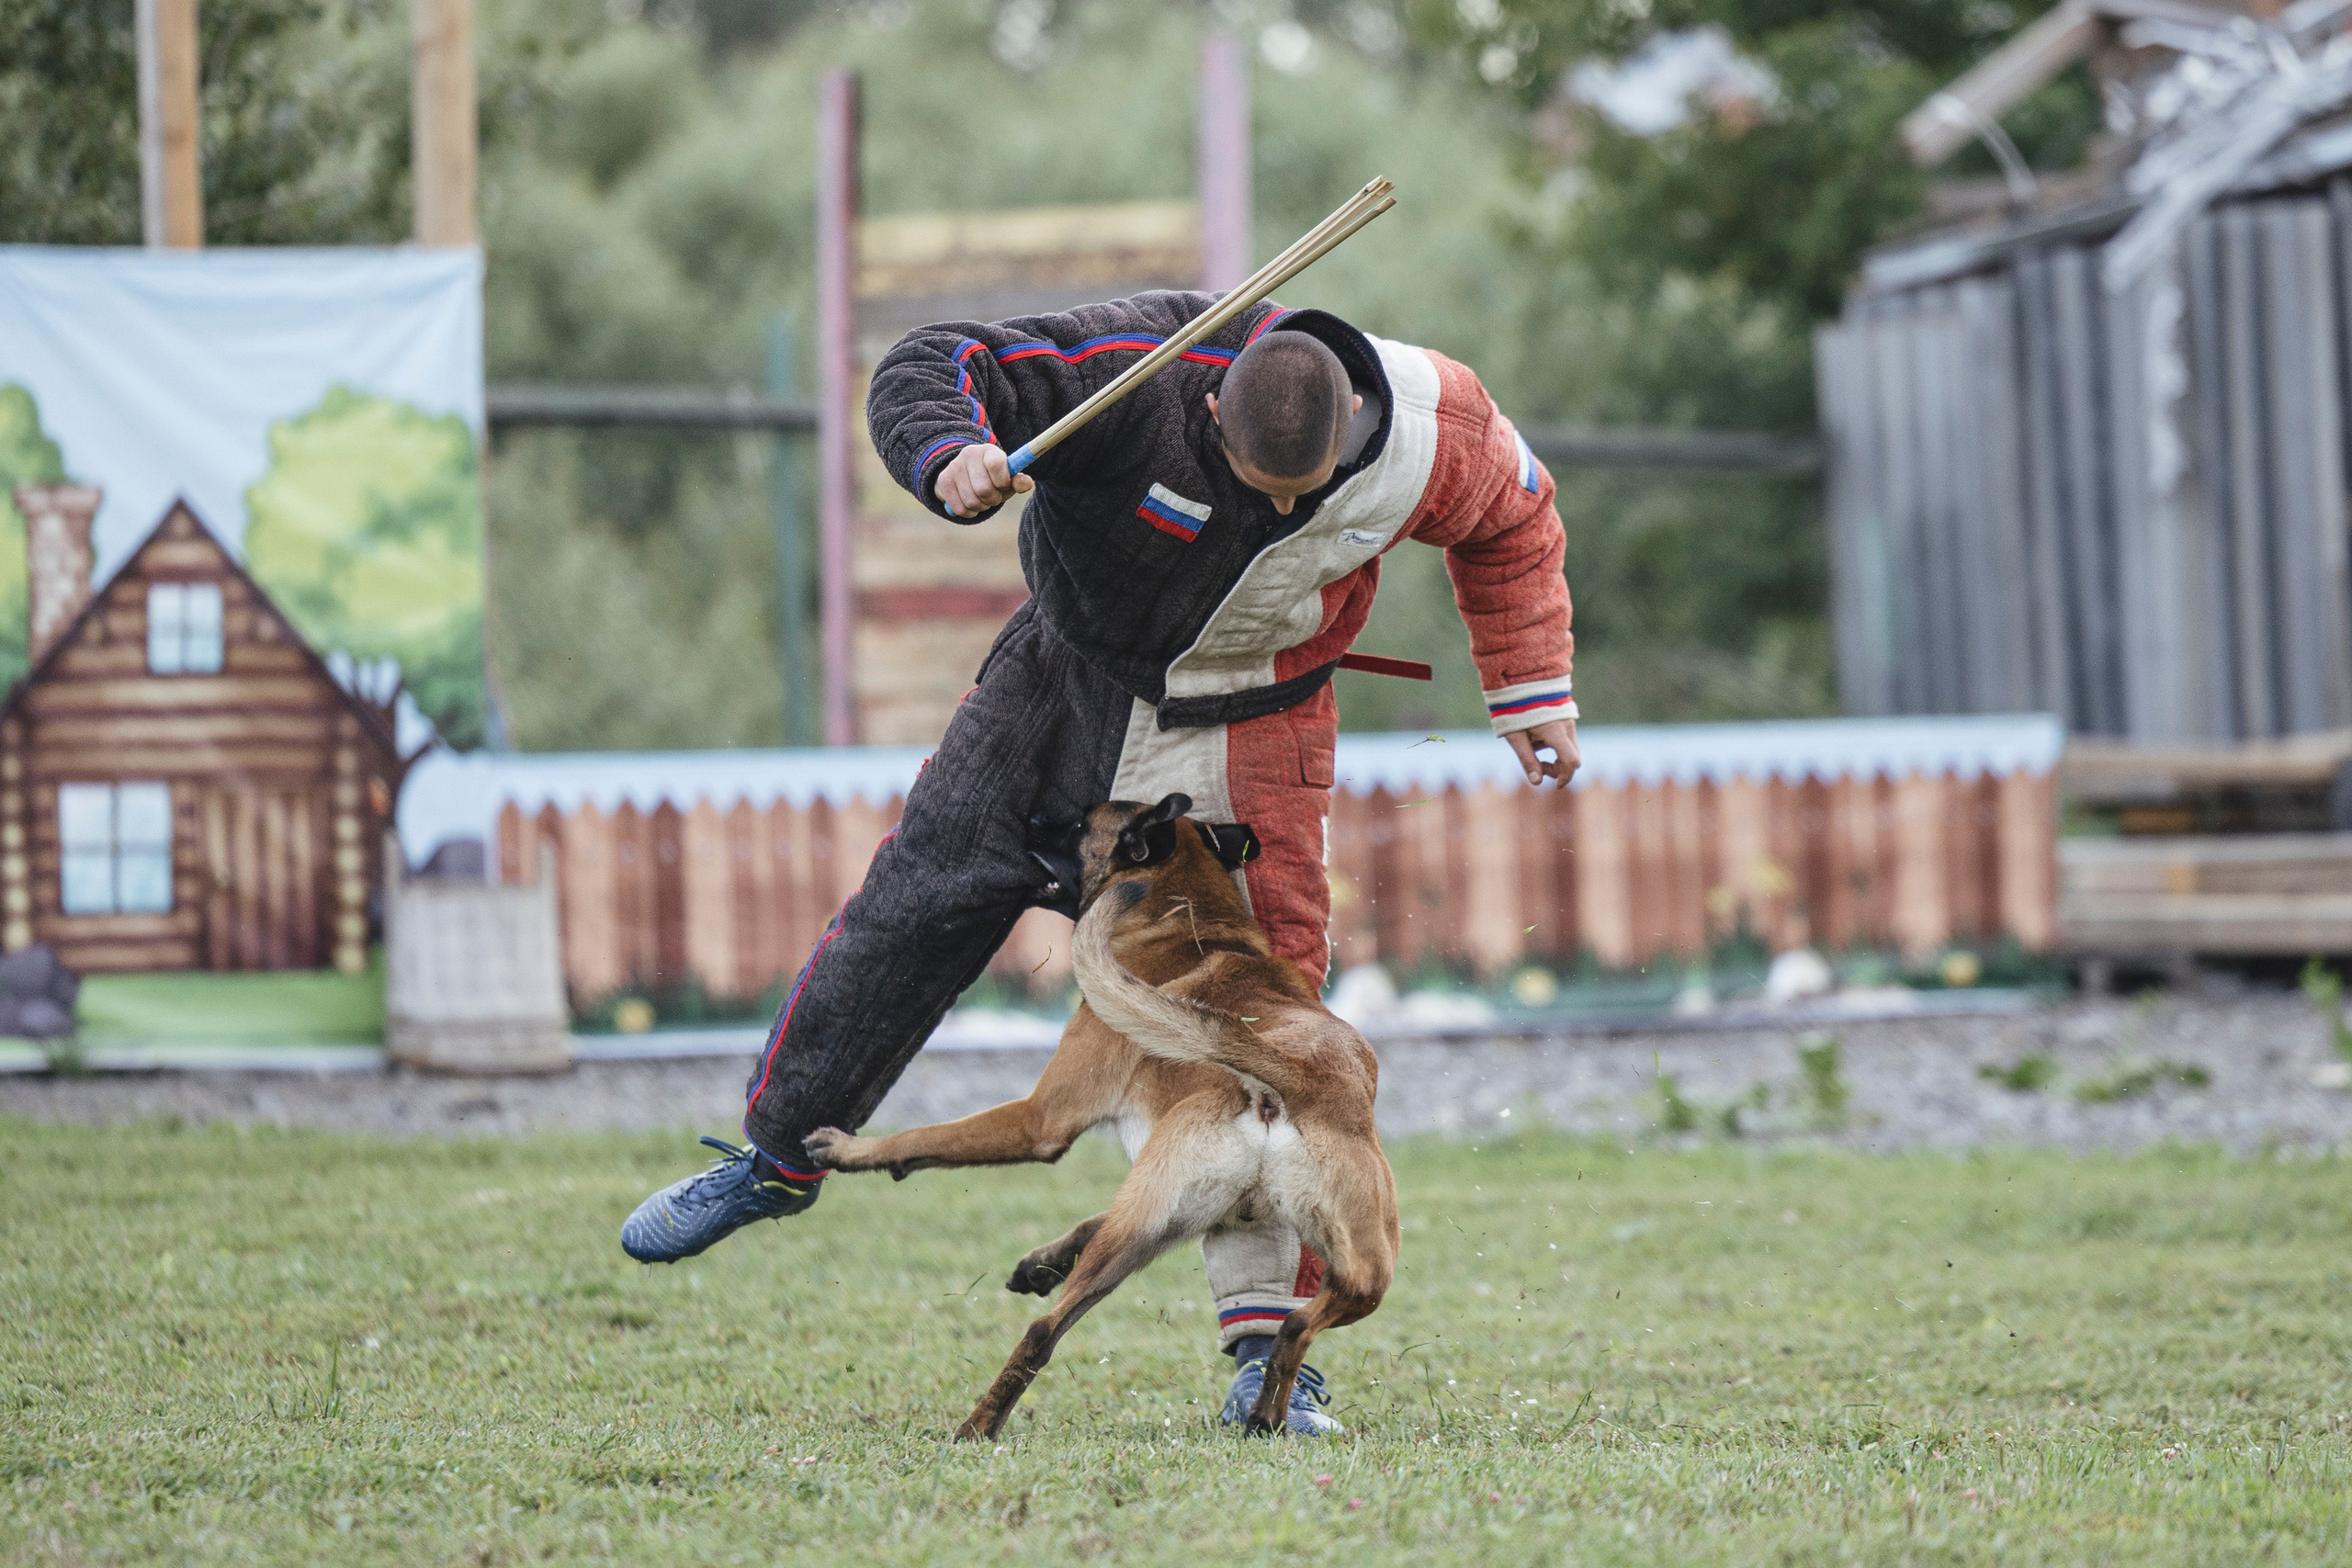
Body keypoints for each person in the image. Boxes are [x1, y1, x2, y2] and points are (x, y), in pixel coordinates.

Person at [622, 291, 1577, 1435]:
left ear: (1357, 415)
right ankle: (777, 1158)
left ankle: (1270, 1355)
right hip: (1062, 683)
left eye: (1302, 494)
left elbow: (1516, 520)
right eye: (1254, 481)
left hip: (1254, 718)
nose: (1278, 506)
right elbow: (938, 358)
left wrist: (1531, 693)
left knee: (1270, 1027)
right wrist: (950, 456)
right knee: (914, 907)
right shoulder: (1137, 372)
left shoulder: (1434, 425)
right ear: (1210, 404)